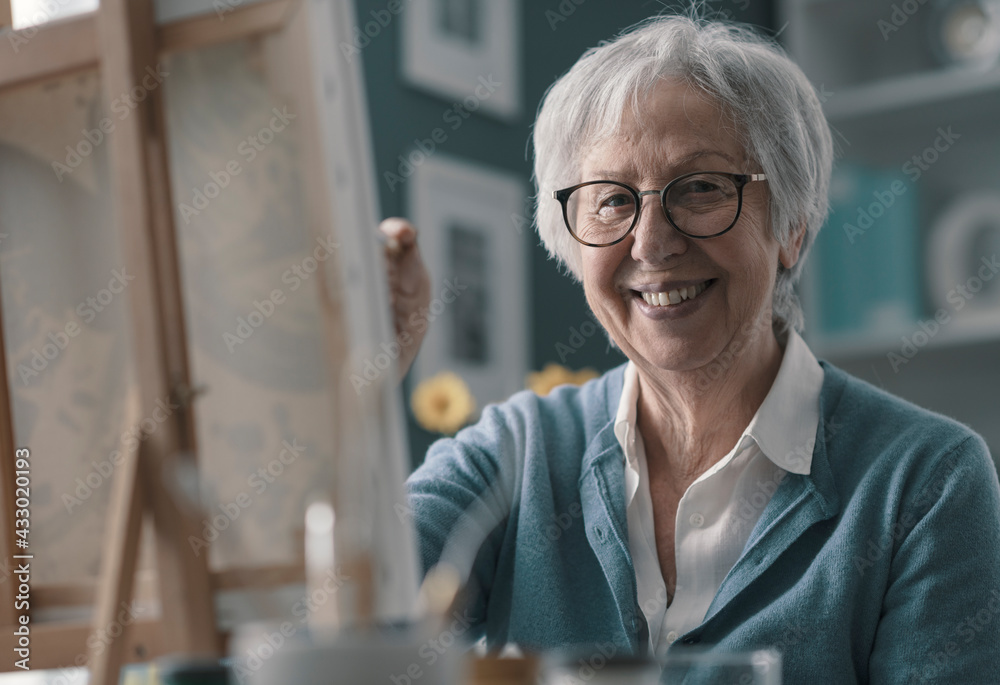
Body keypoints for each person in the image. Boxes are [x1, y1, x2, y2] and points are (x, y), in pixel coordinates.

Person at [380, 13, 1000, 683]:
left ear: (790, 227)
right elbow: (327, 619)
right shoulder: (513, 454)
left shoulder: (927, 481)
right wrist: (349, 384)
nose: (651, 242)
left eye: (701, 187)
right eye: (612, 200)